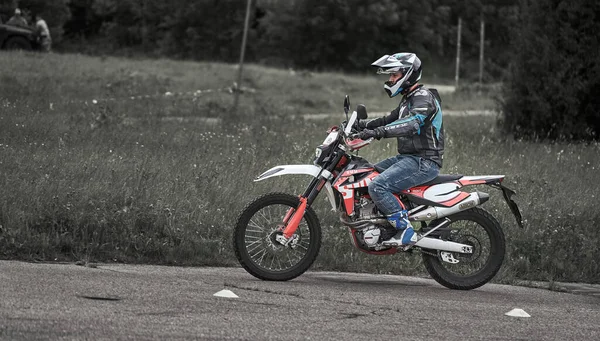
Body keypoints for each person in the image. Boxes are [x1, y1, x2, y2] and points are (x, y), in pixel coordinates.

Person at [355, 52, 444, 247]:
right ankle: (383, 224)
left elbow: (412, 123)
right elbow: (387, 120)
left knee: (377, 185)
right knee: (366, 175)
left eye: (394, 75)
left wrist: (377, 132)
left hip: (423, 162)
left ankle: (405, 230)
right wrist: (359, 125)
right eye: (390, 76)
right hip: (409, 158)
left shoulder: (423, 97)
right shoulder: (408, 99)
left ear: (408, 74)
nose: (390, 80)